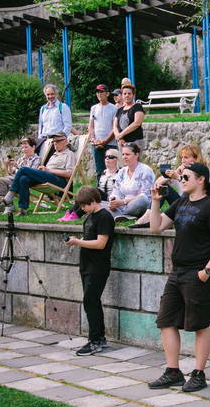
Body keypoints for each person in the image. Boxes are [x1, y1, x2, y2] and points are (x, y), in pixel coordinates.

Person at [148, 162, 210, 393]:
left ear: (201, 179)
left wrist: (207, 271)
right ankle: (173, 371)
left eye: (186, 177)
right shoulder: (181, 202)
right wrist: (155, 201)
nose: (181, 180)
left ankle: (198, 374)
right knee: (165, 321)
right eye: (181, 177)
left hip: (198, 273)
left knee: (200, 325)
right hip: (178, 271)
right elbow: (156, 227)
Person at [65, 186, 115, 356]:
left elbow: (101, 243)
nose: (82, 209)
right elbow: (89, 239)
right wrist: (76, 240)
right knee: (92, 302)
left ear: (93, 201)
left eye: (84, 205)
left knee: (90, 301)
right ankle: (99, 337)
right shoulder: (90, 216)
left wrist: (77, 242)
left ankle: (94, 341)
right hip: (86, 265)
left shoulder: (105, 217)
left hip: (98, 266)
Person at [0, 132, 75, 216]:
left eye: (58, 141)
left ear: (66, 141)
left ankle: (9, 197)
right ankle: (23, 209)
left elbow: (69, 174)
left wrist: (48, 170)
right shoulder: (54, 155)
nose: (55, 143)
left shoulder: (69, 154)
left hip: (59, 180)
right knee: (23, 179)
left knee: (23, 169)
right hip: (48, 177)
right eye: (53, 141)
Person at [57, 148, 121, 222]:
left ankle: (76, 214)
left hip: (111, 198)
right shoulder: (103, 172)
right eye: (106, 157)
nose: (107, 159)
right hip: (102, 196)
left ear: (117, 159)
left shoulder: (120, 173)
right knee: (84, 192)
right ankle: (71, 213)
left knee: (93, 192)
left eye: (110, 157)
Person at [0, 138, 40, 214]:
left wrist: (17, 166)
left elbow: (31, 173)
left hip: (18, 181)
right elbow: (10, 172)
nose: (24, 150)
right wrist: (8, 164)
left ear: (33, 147)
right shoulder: (21, 159)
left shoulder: (36, 159)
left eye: (26, 147)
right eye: (22, 148)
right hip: (11, 177)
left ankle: (8, 206)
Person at [108, 143, 155, 223]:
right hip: (122, 205)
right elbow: (116, 192)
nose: (124, 157)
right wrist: (113, 201)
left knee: (142, 200)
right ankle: (126, 216)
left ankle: (120, 215)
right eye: (123, 154)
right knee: (100, 203)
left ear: (136, 155)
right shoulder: (122, 171)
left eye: (127, 154)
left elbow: (146, 196)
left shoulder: (145, 170)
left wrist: (123, 201)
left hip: (138, 205)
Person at [88, 84, 117, 180]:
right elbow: (91, 126)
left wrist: (105, 141)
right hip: (96, 144)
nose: (99, 94)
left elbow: (114, 127)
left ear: (107, 94)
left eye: (101, 92)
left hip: (110, 144)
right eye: (97, 92)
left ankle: (111, 188)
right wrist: (94, 140)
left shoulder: (114, 108)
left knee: (112, 170)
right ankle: (100, 189)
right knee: (99, 171)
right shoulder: (93, 108)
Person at [113, 83, 145, 149]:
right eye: (124, 94)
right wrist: (119, 137)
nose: (127, 95)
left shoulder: (137, 107)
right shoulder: (119, 110)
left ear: (133, 95)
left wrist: (121, 134)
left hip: (135, 142)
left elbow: (137, 123)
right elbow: (115, 126)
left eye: (129, 93)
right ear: (122, 95)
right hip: (121, 142)